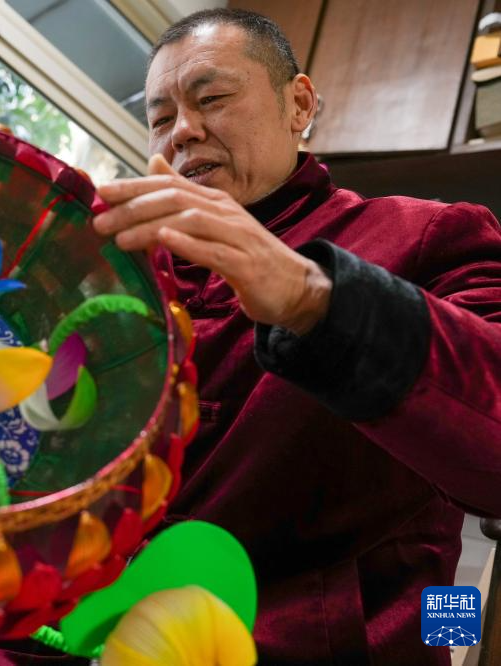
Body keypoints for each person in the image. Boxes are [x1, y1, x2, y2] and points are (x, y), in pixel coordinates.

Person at [88, 8, 501, 665]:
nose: (182, 131)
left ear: (299, 105)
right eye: (160, 119)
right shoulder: (123, 277)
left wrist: (313, 300)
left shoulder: (426, 236)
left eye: (211, 99)